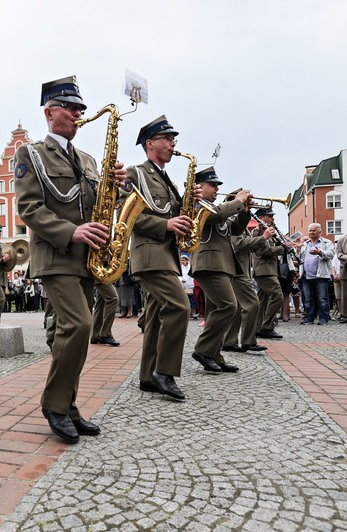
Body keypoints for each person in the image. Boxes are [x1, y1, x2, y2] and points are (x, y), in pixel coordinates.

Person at [15, 75, 122, 443]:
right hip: (55, 253)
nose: (79, 114)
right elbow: (29, 208)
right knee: (76, 325)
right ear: (50, 112)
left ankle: (69, 406)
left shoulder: (89, 160)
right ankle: (55, 405)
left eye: (81, 109)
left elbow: (97, 206)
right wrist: (70, 231)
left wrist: (116, 188)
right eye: (72, 107)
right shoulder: (30, 154)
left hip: (87, 258)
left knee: (78, 332)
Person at [126, 115, 196, 399]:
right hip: (150, 255)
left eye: (173, 139)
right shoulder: (136, 173)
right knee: (180, 307)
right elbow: (128, 215)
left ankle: (147, 376)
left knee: (155, 316)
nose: (173, 144)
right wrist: (165, 224)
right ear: (150, 143)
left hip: (165, 255)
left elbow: (175, 214)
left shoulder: (164, 178)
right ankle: (164, 372)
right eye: (168, 139)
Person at [189, 167, 252, 374]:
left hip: (220, 264)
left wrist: (244, 210)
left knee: (219, 309)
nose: (217, 189)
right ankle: (203, 350)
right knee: (228, 306)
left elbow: (235, 229)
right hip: (209, 264)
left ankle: (214, 355)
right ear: (199, 186)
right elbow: (218, 216)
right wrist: (238, 202)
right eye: (213, 185)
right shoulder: (197, 205)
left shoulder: (215, 207)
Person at [224, 222, 274, 353]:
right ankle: (248, 341)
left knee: (239, 307)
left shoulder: (241, 222)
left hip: (240, 269)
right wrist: (263, 237)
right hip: (238, 270)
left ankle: (229, 341)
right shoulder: (233, 220)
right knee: (252, 303)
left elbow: (254, 250)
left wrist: (260, 236)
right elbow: (238, 244)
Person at [251, 208, 286, 339]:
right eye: (269, 216)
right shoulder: (258, 231)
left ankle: (258, 328)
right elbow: (261, 252)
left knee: (262, 301)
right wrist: (282, 248)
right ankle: (267, 326)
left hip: (268, 270)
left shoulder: (268, 231)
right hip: (263, 270)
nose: (272, 219)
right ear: (261, 217)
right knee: (277, 296)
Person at [298, 223, 335, 325]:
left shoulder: (327, 242)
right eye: (310, 230)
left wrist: (319, 252)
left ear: (320, 232)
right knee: (308, 298)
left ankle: (323, 318)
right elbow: (300, 257)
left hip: (320, 275)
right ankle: (309, 318)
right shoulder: (305, 244)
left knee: (322, 298)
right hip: (306, 275)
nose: (311, 232)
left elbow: (331, 254)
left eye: (314, 230)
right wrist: (297, 250)